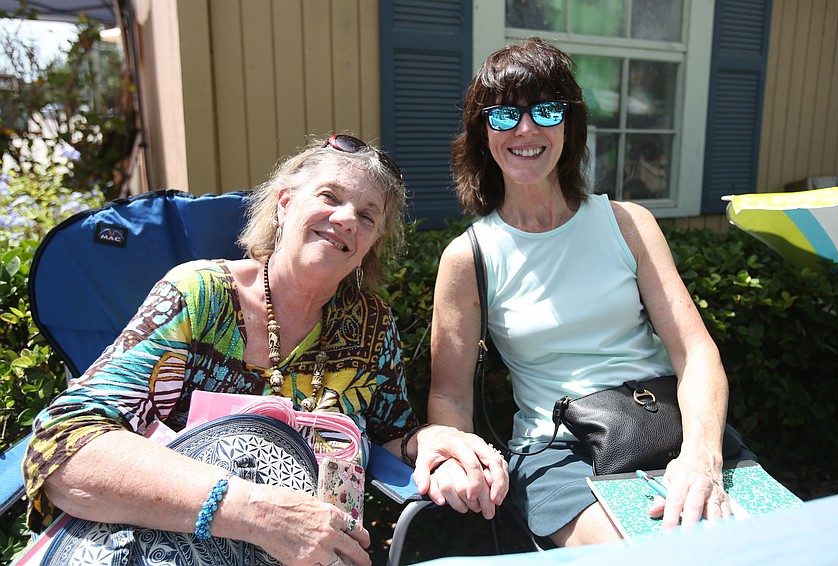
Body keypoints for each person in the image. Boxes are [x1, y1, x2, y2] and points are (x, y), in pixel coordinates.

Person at [22, 134, 508, 566]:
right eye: (330, 197)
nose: (345, 220)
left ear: (371, 244)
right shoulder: (201, 295)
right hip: (173, 540)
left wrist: (436, 448)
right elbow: (62, 445)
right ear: (284, 202)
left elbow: (388, 436)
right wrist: (257, 514)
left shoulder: (369, 325)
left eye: (366, 216)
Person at [428, 37, 755, 547]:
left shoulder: (629, 224)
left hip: (668, 428)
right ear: (482, 134)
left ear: (570, 124)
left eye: (547, 109)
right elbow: (448, 394)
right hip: (558, 454)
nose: (526, 129)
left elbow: (695, 352)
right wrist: (460, 455)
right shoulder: (468, 257)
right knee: (653, 555)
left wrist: (701, 458)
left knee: (764, 547)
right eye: (503, 115)